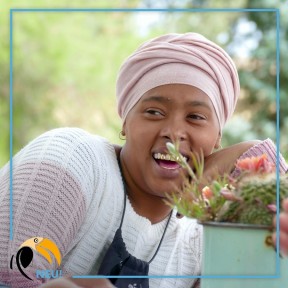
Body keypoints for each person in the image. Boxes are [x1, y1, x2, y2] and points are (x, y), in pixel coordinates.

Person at [0, 32, 287, 288]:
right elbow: (11, 274)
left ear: (217, 138)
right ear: (125, 123)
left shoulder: (200, 240)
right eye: (154, 112)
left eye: (195, 117)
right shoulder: (73, 159)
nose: (173, 133)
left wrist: (251, 152)